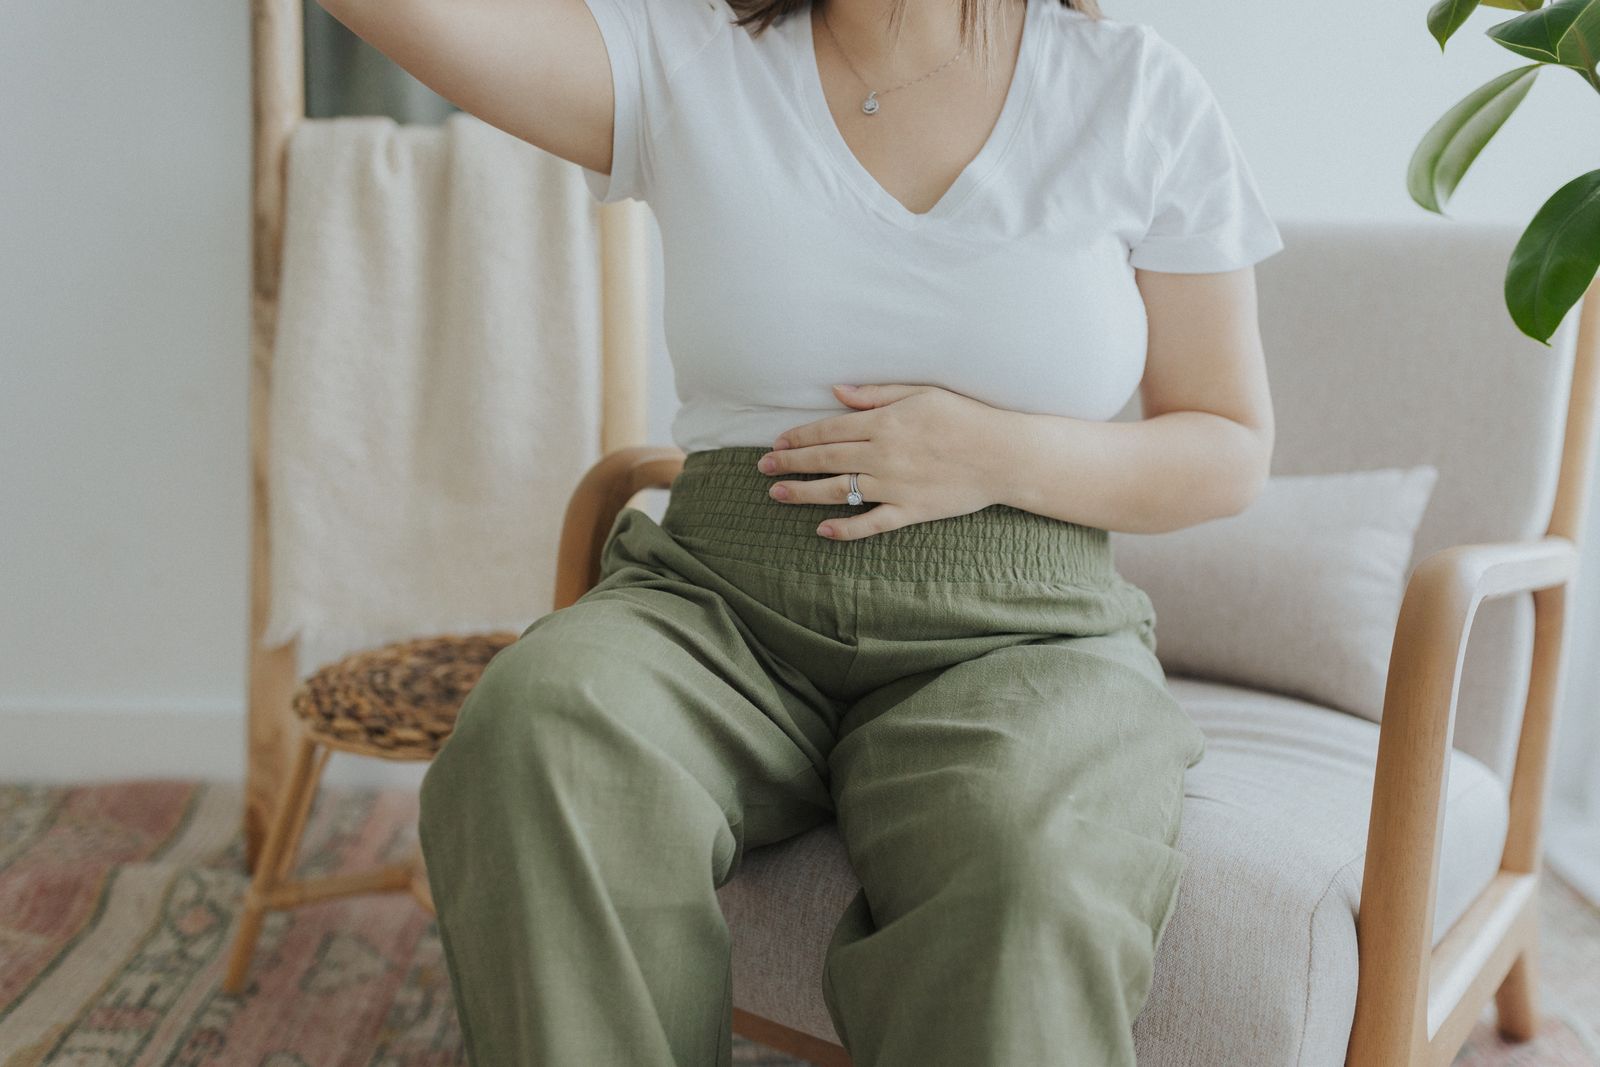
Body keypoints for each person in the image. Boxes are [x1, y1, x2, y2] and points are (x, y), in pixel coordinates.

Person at [317, 0, 1284, 1062]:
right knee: (535, 733)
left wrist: (997, 453)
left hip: (1026, 632)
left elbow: (1227, 443)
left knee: (1026, 859)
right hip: (717, 604)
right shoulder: (683, 54)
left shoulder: (1134, 90)